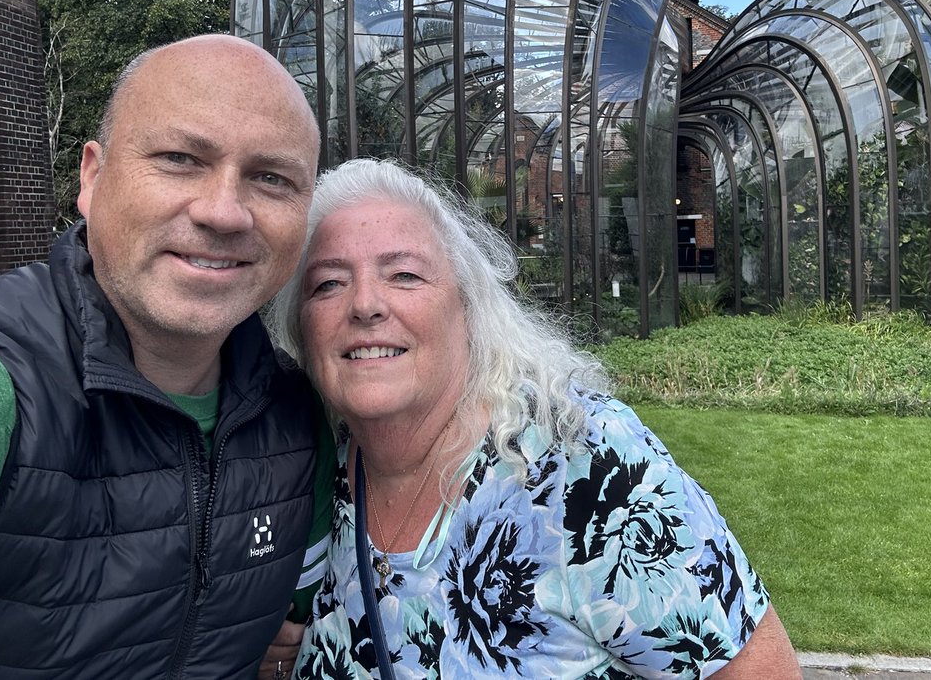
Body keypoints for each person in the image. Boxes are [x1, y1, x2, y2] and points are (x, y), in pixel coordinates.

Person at [268, 158, 803, 679]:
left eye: (404, 274)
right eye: (328, 284)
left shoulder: (587, 468)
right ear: (301, 327)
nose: (365, 304)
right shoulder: (307, 472)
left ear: (469, 307)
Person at [0, 35, 334, 678]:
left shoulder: (299, 420)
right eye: (180, 158)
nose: (223, 212)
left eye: (271, 178)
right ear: (92, 178)